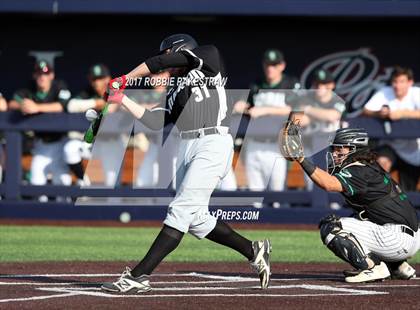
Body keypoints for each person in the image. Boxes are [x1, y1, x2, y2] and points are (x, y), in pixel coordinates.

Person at [100, 34, 271, 293]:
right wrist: (121, 99)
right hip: (188, 145)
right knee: (196, 218)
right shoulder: (175, 88)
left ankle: (139, 275)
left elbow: (158, 62)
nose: (169, 63)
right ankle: (253, 250)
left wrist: (125, 78)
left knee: (179, 211)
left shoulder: (208, 55)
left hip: (213, 141)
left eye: (170, 54)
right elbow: (157, 121)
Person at [282, 125, 419, 282]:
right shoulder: (369, 165)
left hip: (396, 238)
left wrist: (301, 158)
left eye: (339, 148)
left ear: (354, 148)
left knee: (331, 226)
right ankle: (398, 267)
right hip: (408, 236)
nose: (334, 153)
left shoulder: (358, 170)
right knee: (360, 218)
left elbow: (329, 184)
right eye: (334, 149)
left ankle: (371, 267)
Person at [233, 49, 300, 199]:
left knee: (278, 196)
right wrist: (241, 105)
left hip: (276, 145)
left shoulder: (291, 83)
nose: (270, 68)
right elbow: (249, 106)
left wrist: (264, 110)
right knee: (255, 196)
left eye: (274, 65)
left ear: (282, 66)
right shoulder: (256, 84)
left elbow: (293, 110)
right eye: (268, 65)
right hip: (254, 144)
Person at [9, 60, 72, 199]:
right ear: (34, 75)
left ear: (51, 75)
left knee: (63, 184)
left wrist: (37, 108)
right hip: (41, 145)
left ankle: (66, 218)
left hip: (60, 144)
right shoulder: (30, 89)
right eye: (39, 74)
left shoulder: (59, 87)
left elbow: (62, 106)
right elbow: (12, 102)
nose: (42, 77)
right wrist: (23, 105)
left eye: (46, 74)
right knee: (36, 186)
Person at [363, 66, 420, 192]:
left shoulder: (416, 93)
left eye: (401, 81)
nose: (397, 85)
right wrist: (379, 113)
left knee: (408, 190)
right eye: (395, 81)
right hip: (390, 145)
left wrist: (402, 113)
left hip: (413, 149)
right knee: (382, 162)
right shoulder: (385, 91)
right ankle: (377, 199)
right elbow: (366, 110)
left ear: (410, 82)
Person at [64, 64, 122, 187]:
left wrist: (109, 104)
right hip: (92, 144)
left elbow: (114, 108)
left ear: (108, 79)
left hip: (111, 144)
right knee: (70, 148)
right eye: (94, 79)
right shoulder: (87, 93)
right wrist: (97, 103)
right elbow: (71, 105)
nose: (97, 82)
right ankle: (84, 181)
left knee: (112, 187)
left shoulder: (116, 91)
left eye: (100, 78)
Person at [299, 69, 346, 191]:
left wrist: (309, 111)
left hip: (333, 153)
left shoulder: (337, 100)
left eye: (324, 84)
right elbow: (301, 119)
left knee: (334, 188)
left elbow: (332, 116)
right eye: (317, 84)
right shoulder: (307, 98)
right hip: (310, 150)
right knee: (312, 187)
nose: (320, 87)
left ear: (331, 85)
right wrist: (320, 115)